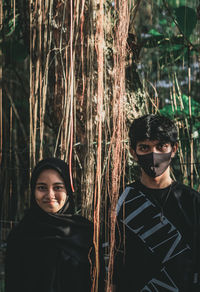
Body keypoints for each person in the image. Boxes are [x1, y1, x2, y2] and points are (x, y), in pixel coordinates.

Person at [113, 114, 200, 292]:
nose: (154, 154)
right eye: (145, 147)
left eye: (161, 146)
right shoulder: (121, 200)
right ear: (133, 153)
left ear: (174, 149)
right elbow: (110, 262)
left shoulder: (193, 202)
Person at [5, 157, 104, 292]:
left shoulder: (87, 233)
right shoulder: (20, 235)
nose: (50, 195)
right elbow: (13, 285)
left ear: (68, 190)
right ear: (33, 190)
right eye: (41, 188)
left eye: (58, 187)